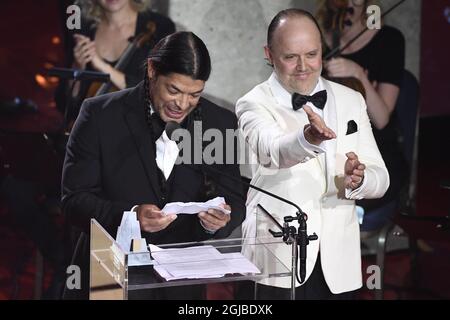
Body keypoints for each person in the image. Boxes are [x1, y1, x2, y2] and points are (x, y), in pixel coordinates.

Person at [61, 31, 245, 299]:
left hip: (181, 288)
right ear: (152, 69)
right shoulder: (100, 115)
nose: (182, 104)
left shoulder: (219, 123)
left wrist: (217, 222)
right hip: (108, 278)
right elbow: (74, 201)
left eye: (194, 95)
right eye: (174, 90)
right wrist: (131, 216)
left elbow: (235, 200)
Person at [235, 9, 389, 299]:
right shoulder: (252, 103)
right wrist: (308, 138)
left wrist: (360, 179)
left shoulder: (351, 99)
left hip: (338, 263)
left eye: (312, 54)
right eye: (290, 57)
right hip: (277, 259)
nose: (303, 66)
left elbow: (381, 178)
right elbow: (272, 151)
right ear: (269, 54)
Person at [318, 0, 409, 233]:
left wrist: (357, 74)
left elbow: (381, 118)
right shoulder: (318, 36)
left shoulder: (389, 39)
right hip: (327, 149)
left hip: (372, 153)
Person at [56, 0, 175, 125]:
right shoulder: (84, 27)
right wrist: (77, 68)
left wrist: (102, 66)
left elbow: (159, 94)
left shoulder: (160, 26)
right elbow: (65, 105)